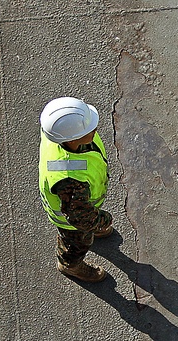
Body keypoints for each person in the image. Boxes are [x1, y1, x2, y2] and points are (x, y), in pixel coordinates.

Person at [38, 97, 114, 282]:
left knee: (88, 228)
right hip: (72, 223)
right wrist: (101, 219)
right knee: (76, 243)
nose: (95, 130)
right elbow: (80, 216)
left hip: (81, 209)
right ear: (72, 139)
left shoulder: (58, 135)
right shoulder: (68, 179)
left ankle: (94, 228)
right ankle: (70, 265)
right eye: (90, 130)